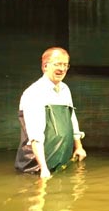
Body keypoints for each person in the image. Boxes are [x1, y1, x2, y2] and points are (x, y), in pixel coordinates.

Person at [15, 47, 86, 178]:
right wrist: (43, 168)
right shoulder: (34, 92)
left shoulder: (65, 89)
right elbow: (35, 135)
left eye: (65, 65)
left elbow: (72, 119)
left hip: (61, 160)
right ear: (45, 66)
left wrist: (79, 147)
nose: (62, 69)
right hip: (36, 166)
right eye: (58, 64)